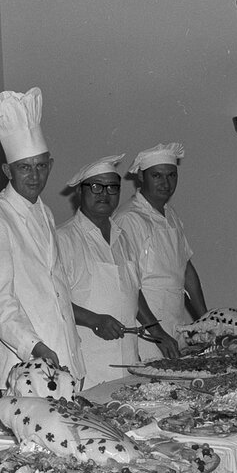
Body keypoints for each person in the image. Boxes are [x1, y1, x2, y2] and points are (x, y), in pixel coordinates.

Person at [0, 88, 85, 398]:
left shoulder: (45, 213)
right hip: (27, 368)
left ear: (50, 164)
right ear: (8, 170)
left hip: (63, 361)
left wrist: (73, 354)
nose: (34, 176)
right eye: (24, 167)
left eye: (40, 165)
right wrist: (34, 346)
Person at [55, 154, 180, 388]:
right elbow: (52, 300)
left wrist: (157, 331)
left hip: (128, 362)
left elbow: (134, 292)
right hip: (89, 366)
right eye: (96, 186)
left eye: (112, 187)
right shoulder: (63, 239)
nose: (105, 194)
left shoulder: (121, 237)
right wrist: (94, 320)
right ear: (79, 193)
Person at [114, 142, 208, 360]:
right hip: (145, 332)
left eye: (171, 175)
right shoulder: (129, 218)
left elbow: (186, 270)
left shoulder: (170, 214)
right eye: (157, 176)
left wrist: (206, 319)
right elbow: (128, 285)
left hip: (174, 324)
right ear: (141, 177)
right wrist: (157, 334)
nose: (165, 183)